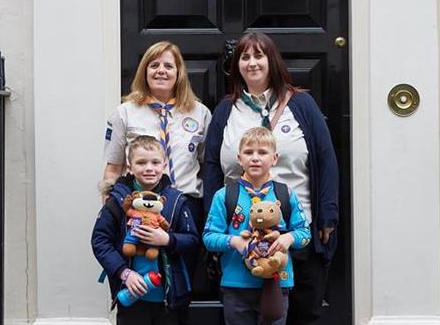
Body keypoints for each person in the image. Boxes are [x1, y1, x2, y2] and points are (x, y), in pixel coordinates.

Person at [203, 32, 339, 325]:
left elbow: (326, 159)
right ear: (237, 64)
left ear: (271, 60)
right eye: (245, 57)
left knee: (303, 313)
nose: (252, 63)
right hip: (241, 236)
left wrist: (328, 215)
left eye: (259, 56)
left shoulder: (302, 105)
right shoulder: (227, 110)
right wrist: (212, 223)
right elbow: (212, 166)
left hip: (297, 231)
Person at [203, 127, 311, 325]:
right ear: (239, 157)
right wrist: (234, 241)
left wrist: (288, 238)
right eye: (248, 152)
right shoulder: (225, 195)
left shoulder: (285, 194)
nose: (255, 158)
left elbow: (305, 234)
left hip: (276, 283)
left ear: (275, 158)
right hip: (237, 286)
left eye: (262, 152)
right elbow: (209, 237)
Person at [103, 41, 211, 233]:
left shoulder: (199, 113)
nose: (161, 71)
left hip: (187, 203)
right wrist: (108, 214)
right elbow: (113, 168)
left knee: (185, 261)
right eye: (154, 65)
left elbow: (206, 165)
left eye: (168, 66)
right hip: (140, 204)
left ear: (179, 73)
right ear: (145, 72)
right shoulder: (124, 113)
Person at [92, 135, 199, 325]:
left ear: (164, 164)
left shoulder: (175, 200)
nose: (149, 168)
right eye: (141, 163)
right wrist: (124, 273)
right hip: (130, 294)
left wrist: (167, 239)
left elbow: (192, 240)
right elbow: (100, 241)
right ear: (130, 167)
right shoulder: (117, 201)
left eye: (155, 162)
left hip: (169, 299)